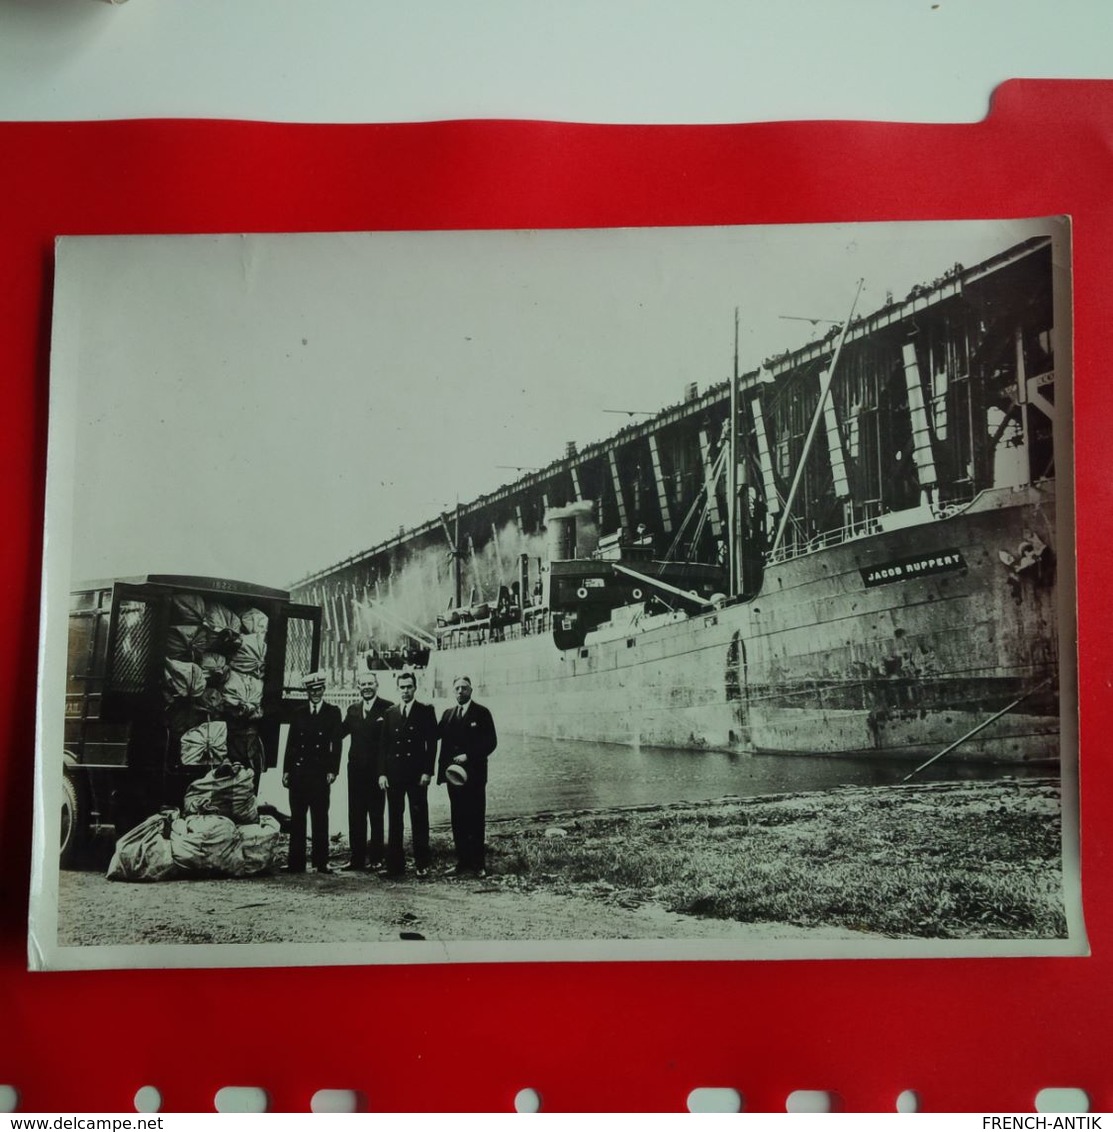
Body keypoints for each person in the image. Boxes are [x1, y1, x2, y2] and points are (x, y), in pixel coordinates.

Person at [377, 670, 438, 878]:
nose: (405, 691)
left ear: (415, 688)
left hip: (416, 776)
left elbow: (431, 746)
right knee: (395, 820)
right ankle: (395, 866)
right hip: (394, 776)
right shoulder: (390, 713)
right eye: (402, 687)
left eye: (409, 687)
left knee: (419, 819)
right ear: (398, 689)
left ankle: (422, 864)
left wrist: (428, 772)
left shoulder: (425, 711)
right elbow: (383, 746)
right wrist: (382, 774)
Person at [282, 670, 343, 874]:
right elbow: (291, 744)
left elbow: (337, 744)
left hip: (319, 774)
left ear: (324, 689)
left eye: (319, 689)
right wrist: (286, 771)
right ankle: (296, 863)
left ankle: (321, 862)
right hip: (299, 773)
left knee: (320, 818)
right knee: (297, 818)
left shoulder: (333, 712)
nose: (315, 693)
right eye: (311, 690)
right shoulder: (298, 713)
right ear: (307, 692)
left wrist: (333, 770)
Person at [436, 675, 498, 877]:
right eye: (457, 688)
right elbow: (432, 734)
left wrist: (469, 755)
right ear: (453, 691)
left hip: (475, 776)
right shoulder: (447, 715)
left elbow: (491, 742)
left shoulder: (482, 713)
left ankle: (478, 864)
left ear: (471, 690)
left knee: (476, 819)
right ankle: (462, 862)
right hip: (454, 776)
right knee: (458, 819)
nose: (460, 691)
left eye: (464, 688)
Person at [340, 671, 394, 872]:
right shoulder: (353, 709)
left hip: (377, 772)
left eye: (370, 683)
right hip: (355, 771)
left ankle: (377, 858)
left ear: (377, 685)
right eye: (363, 684)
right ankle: (356, 858)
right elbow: (339, 733)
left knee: (376, 814)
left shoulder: (388, 708)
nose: (367, 687)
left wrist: (385, 771)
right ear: (358, 687)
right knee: (355, 815)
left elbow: (391, 742)